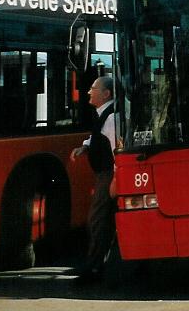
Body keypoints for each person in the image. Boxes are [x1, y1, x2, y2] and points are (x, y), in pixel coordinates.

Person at [67, 75, 116, 283]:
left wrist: (116, 179)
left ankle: (92, 269)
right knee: (104, 221)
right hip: (106, 175)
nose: (88, 92)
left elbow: (117, 149)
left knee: (97, 220)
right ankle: (100, 266)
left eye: (93, 88)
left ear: (106, 94)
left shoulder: (112, 118)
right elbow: (98, 136)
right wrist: (85, 146)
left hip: (109, 175)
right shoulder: (104, 114)